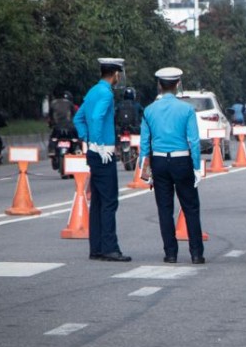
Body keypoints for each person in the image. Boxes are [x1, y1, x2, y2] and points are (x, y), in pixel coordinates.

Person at [139, 67, 205, 264]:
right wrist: (196, 167)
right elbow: (193, 141)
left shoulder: (149, 110)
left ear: (159, 85)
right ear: (177, 85)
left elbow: (144, 143)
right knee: (191, 207)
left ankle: (170, 253)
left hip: (159, 161)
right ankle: (196, 253)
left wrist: (145, 168)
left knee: (164, 209)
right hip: (182, 160)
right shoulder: (186, 109)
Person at [73, 58, 131, 262]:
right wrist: (98, 143)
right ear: (115, 74)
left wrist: (87, 139)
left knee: (98, 201)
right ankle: (109, 248)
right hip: (103, 152)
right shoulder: (106, 93)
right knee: (109, 202)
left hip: (94, 152)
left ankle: (96, 248)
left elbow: (78, 119)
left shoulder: (92, 91)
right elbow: (97, 118)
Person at [48, 90, 77, 156]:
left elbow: (50, 117)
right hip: (70, 128)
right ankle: (76, 149)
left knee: (52, 139)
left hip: (57, 128)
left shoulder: (53, 103)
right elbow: (75, 117)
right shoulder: (70, 104)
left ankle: (51, 150)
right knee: (75, 139)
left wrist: (51, 124)